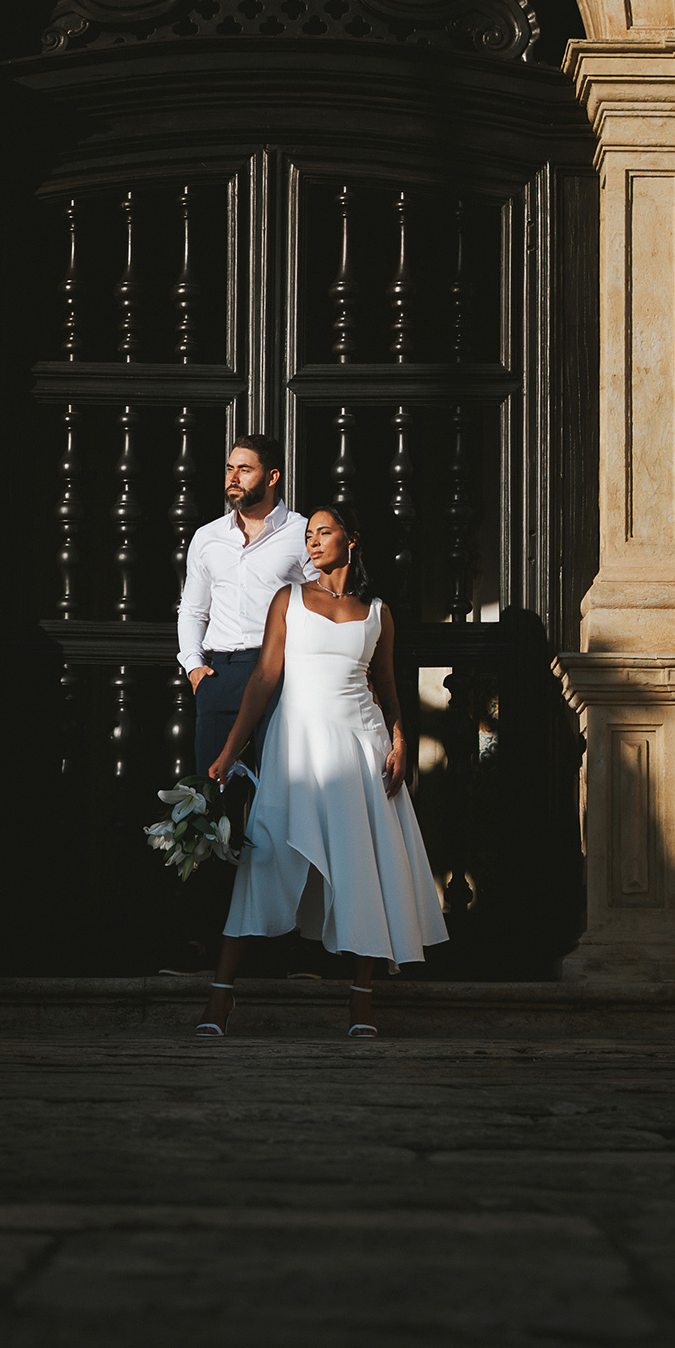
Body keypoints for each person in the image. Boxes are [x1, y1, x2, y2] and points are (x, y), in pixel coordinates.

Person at [196, 504, 449, 1040]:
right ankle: (219, 1002)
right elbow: (264, 679)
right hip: (297, 747)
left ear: (351, 540)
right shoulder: (287, 600)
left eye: (323, 533)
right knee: (264, 859)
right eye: (307, 534)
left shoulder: (377, 611)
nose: (312, 543)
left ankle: (361, 1003)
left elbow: (387, 686)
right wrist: (228, 751)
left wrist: (400, 740)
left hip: (360, 746)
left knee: (362, 865)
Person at [177, 434, 316, 777]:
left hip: (281, 674)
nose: (233, 478)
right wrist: (195, 668)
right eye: (229, 469)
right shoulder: (207, 537)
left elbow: (319, 608)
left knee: (278, 790)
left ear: (272, 477)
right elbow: (193, 610)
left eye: (244, 469)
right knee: (212, 794)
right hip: (220, 673)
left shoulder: (302, 533)